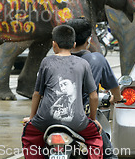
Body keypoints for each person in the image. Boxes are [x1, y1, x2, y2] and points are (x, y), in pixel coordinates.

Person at [22, 24, 103, 159]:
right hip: (77, 121)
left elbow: (37, 94)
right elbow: (93, 96)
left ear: (54, 44)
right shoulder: (83, 64)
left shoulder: (46, 62)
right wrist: (93, 119)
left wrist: (32, 118)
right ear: (74, 44)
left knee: (29, 137)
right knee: (95, 138)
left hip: (44, 120)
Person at [67, 17, 122, 159]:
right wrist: (117, 98)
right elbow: (112, 87)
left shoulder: (53, 61)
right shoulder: (97, 59)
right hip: (82, 119)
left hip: (52, 118)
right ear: (89, 40)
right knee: (110, 156)